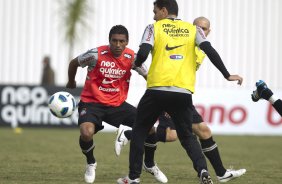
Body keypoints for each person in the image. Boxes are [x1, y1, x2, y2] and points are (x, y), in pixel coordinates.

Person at [116, 0, 243, 182]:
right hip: (182, 93)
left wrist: (136, 64)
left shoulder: (154, 27)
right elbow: (210, 50)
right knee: (187, 137)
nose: (154, 15)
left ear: (164, 10)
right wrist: (227, 75)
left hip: (157, 90)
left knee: (140, 130)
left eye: (155, 11)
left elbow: (143, 53)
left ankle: (133, 178)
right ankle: (203, 172)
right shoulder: (194, 30)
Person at [66, 25, 167, 184]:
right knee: (86, 132)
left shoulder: (133, 58)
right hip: (92, 103)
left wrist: (160, 93)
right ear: (109, 41)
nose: (118, 45)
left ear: (127, 42)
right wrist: (71, 81)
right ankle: (91, 163)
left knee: (150, 128)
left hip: (118, 105)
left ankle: (149, 164)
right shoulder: (95, 54)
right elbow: (74, 63)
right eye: (114, 41)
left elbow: (148, 76)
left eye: (122, 41)